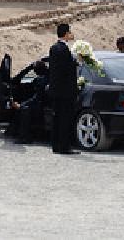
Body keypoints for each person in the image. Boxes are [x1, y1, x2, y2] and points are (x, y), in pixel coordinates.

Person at [48, 23, 79, 154]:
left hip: (56, 90)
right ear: (66, 34)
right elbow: (66, 69)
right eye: (70, 32)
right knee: (65, 119)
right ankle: (64, 146)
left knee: (57, 118)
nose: (71, 35)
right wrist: (77, 61)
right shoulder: (64, 50)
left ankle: (56, 145)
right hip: (65, 91)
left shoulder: (53, 48)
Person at [11, 60, 49, 144]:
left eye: (35, 70)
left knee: (24, 109)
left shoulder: (41, 79)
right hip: (44, 103)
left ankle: (25, 137)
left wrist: (21, 105)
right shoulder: (48, 76)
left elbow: (37, 98)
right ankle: (14, 131)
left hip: (41, 105)